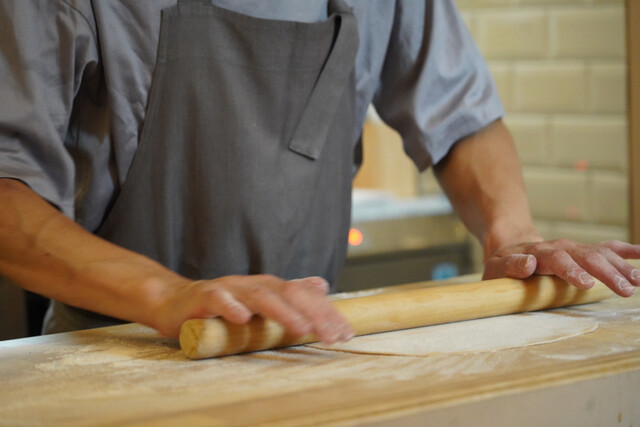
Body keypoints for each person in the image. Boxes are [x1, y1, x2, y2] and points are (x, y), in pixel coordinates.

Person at [1, 0, 639, 343]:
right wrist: (165, 297)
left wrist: (515, 234)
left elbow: (460, 115)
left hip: (306, 353)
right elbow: (8, 191)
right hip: (119, 357)